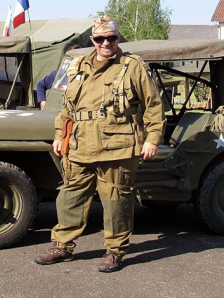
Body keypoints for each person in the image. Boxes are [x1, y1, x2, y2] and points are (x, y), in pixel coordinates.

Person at [34, 16, 165, 272]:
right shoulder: (78, 66)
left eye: (112, 38)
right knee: (70, 197)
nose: (106, 43)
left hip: (117, 146)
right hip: (81, 145)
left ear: (118, 39)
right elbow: (67, 108)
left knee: (116, 201)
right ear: (92, 40)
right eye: (100, 38)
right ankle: (62, 246)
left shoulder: (132, 66)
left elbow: (153, 105)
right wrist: (60, 135)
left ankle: (115, 251)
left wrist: (152, 139)